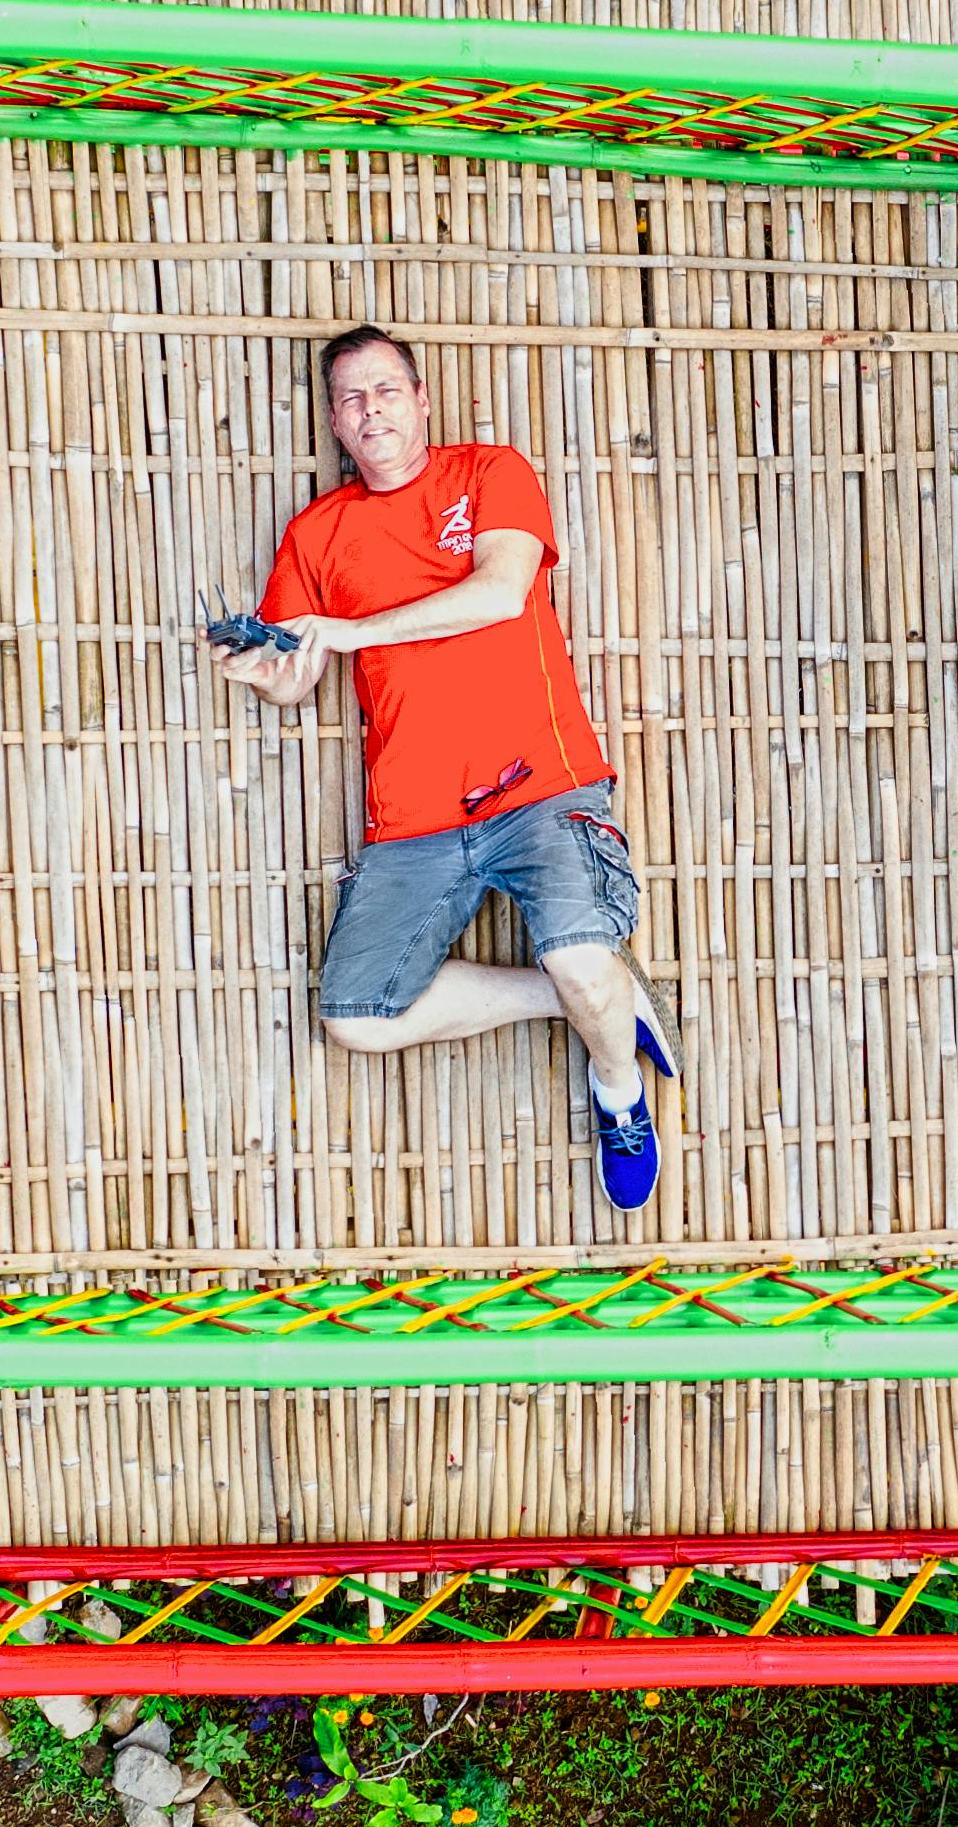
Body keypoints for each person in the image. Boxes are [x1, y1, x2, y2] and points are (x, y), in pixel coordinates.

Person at [224, 324, 674, 1209]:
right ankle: (578, 1000)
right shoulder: (315, 535)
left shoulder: (488, 473)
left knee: (585, 958)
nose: (371, 408)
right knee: (356, 1019)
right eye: (351, 398)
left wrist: (351, 630)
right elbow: (298, 673)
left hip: (540, 782)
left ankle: (618, 1088)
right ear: (335, 424)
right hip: (415, 815)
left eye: (386, 389)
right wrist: (271, 670)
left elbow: (501, 593)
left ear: (421, 399)